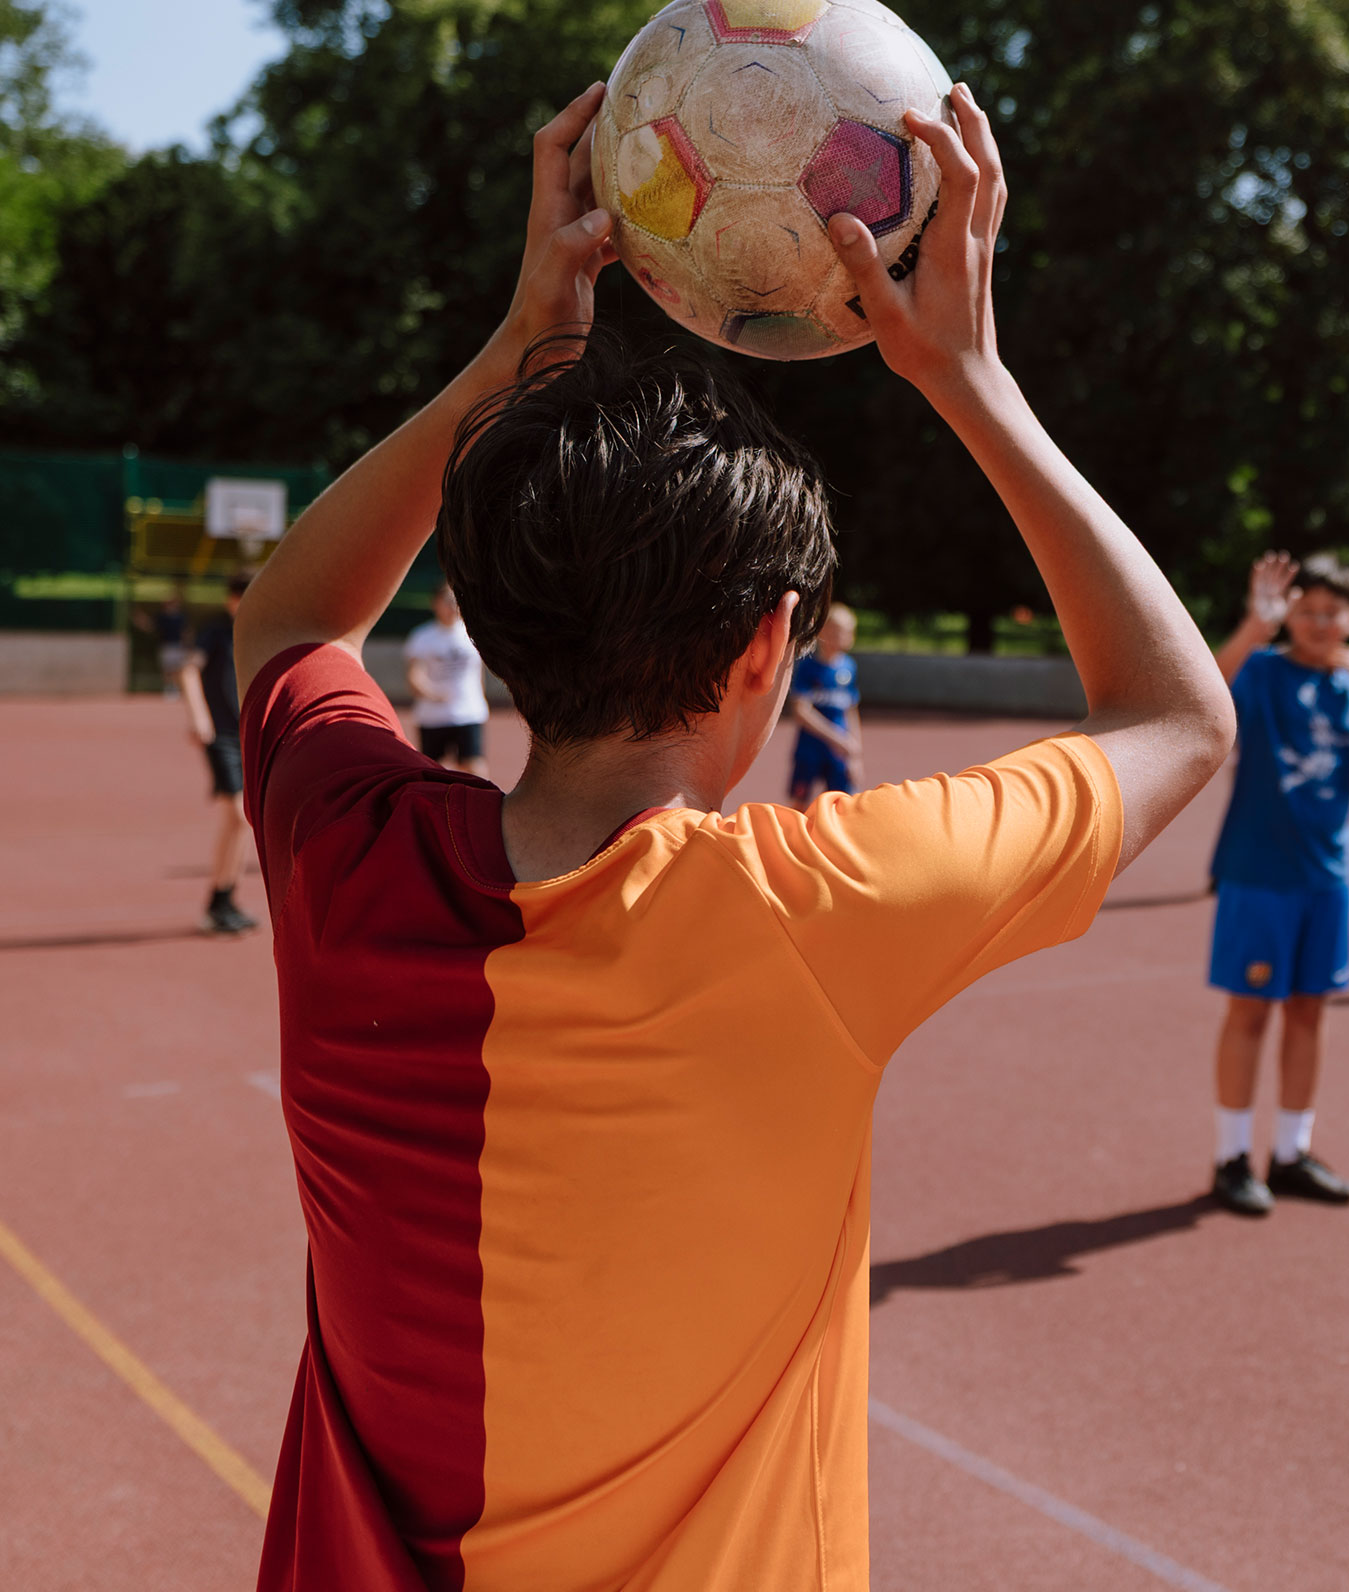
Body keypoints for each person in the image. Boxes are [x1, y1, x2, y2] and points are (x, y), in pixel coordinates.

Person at [228, 82, 1232, 1588]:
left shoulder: (346, 854)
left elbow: (295, 619)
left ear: (486, 628)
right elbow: (1178, 715)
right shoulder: (813, 906)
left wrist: (518, 358)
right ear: (771, 644)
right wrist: (970, 379)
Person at [1205, 550, 1349, 1218]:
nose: (1319, 623)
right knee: (1250, 1011)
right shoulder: (1262, 671)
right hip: (1259, 873)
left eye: (1332, 612)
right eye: (1308, 610)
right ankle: (1232, 1158)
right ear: (1290, 613)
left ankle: (1291, 1153)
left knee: (1309, 1012)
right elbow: (1200, 693)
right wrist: (1253, 627)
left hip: (1327, 877)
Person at [177, 573, 258, 935]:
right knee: (239, 815)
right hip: (221, 736)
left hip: (248, 736)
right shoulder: (215, 631)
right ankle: (218, 902)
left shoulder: (259, 632)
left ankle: (225, 901)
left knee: (242, 820)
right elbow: (188, 671)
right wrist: (198, 716)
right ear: (232, 598)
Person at [403, 580, 489, 777]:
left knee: (475, 768)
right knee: (432, 771)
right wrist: (432, 693)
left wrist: (479, 700)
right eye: (447, 601)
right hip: (433, 717)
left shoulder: (473, 633)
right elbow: (414, 675)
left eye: (456, 601)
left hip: (468, 713)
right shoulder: (422, 637)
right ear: (435, 604)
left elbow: (479, 673)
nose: (452, 606)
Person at [787, 601, 862, 805]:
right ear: (822, 632)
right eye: (835, 631)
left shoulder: (848, 667)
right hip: (810, 748)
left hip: (838, 752)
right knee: (799, 804)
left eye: (846, 632)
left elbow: (851, 710)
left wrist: (855, 754)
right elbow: (801, 710)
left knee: (843, 804)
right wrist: (835, 738)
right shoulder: (808, 667)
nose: (841, 637)